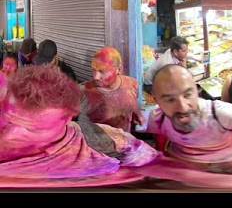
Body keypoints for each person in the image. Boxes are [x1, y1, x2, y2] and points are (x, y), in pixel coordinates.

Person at [0, 65, 158, 178]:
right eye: (7, 120)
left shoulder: (111, 144)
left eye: (33, 129)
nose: (9, 135)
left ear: (67, 120)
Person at [79, 46, 144, 133]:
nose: (95, 77)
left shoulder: (132, 83)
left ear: (119, 70)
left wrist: (139, 115)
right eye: (93, 70)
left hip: (124, 142)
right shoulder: (81, 92)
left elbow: (132, 102)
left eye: (102, 71)